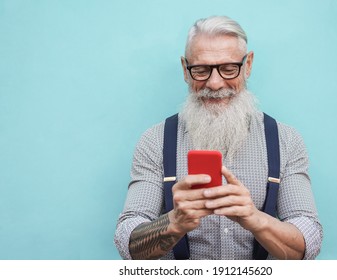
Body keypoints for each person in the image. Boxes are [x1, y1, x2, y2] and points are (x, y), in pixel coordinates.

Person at [114, 15, 323, 260]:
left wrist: (254, 218)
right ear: (185, 69)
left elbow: (308, 243)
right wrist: (175, 222)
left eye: (228, 68)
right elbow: (128, 244)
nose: (214, 83)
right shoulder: (155, 141)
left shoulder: (285, 140)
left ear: (248, 65)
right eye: (201, 70)